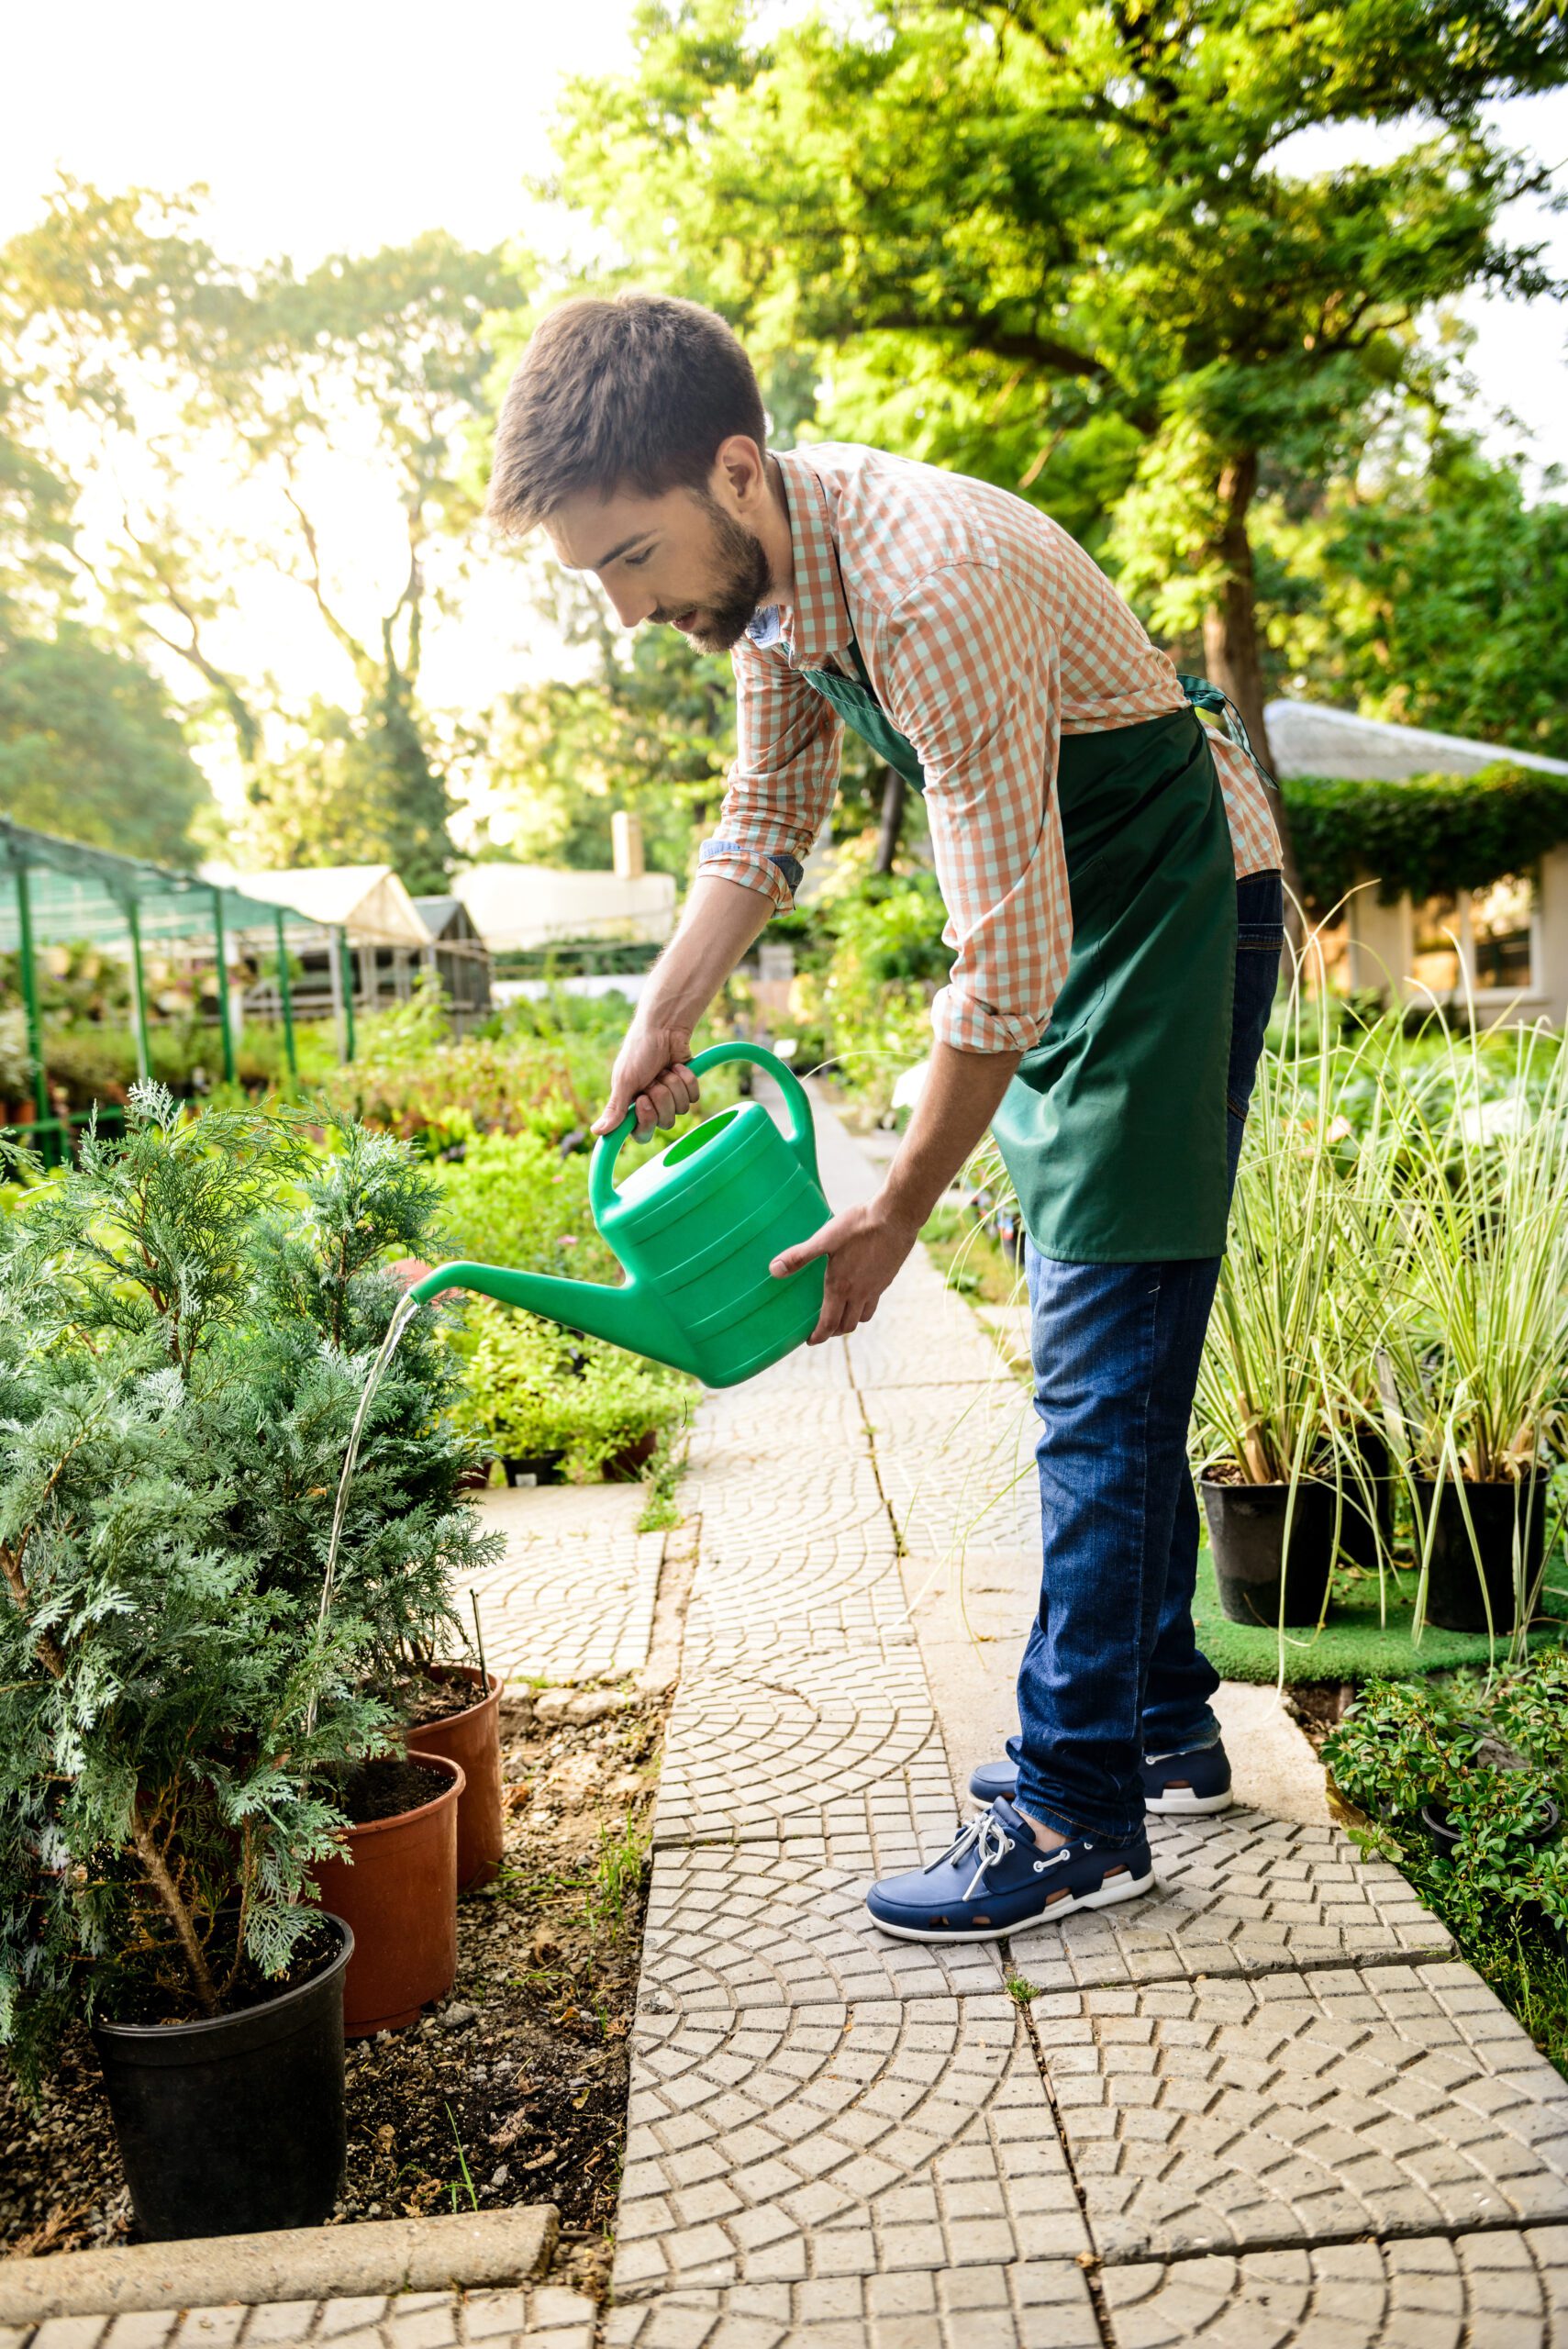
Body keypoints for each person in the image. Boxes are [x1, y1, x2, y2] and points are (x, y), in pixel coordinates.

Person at [486, 290, 1284, 1943]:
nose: (630, 612)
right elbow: (766, 816)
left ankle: (1072, 1807)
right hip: (1075, 909)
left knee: (1099, 1351)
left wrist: (899, 1204)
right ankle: (1159, 1716)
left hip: (1171, 902)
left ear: (732, 472)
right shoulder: (769, 591)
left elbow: (1004, 954)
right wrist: (663, 1013)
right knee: (1105, 1333)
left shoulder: (924, 586)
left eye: (630, 560)